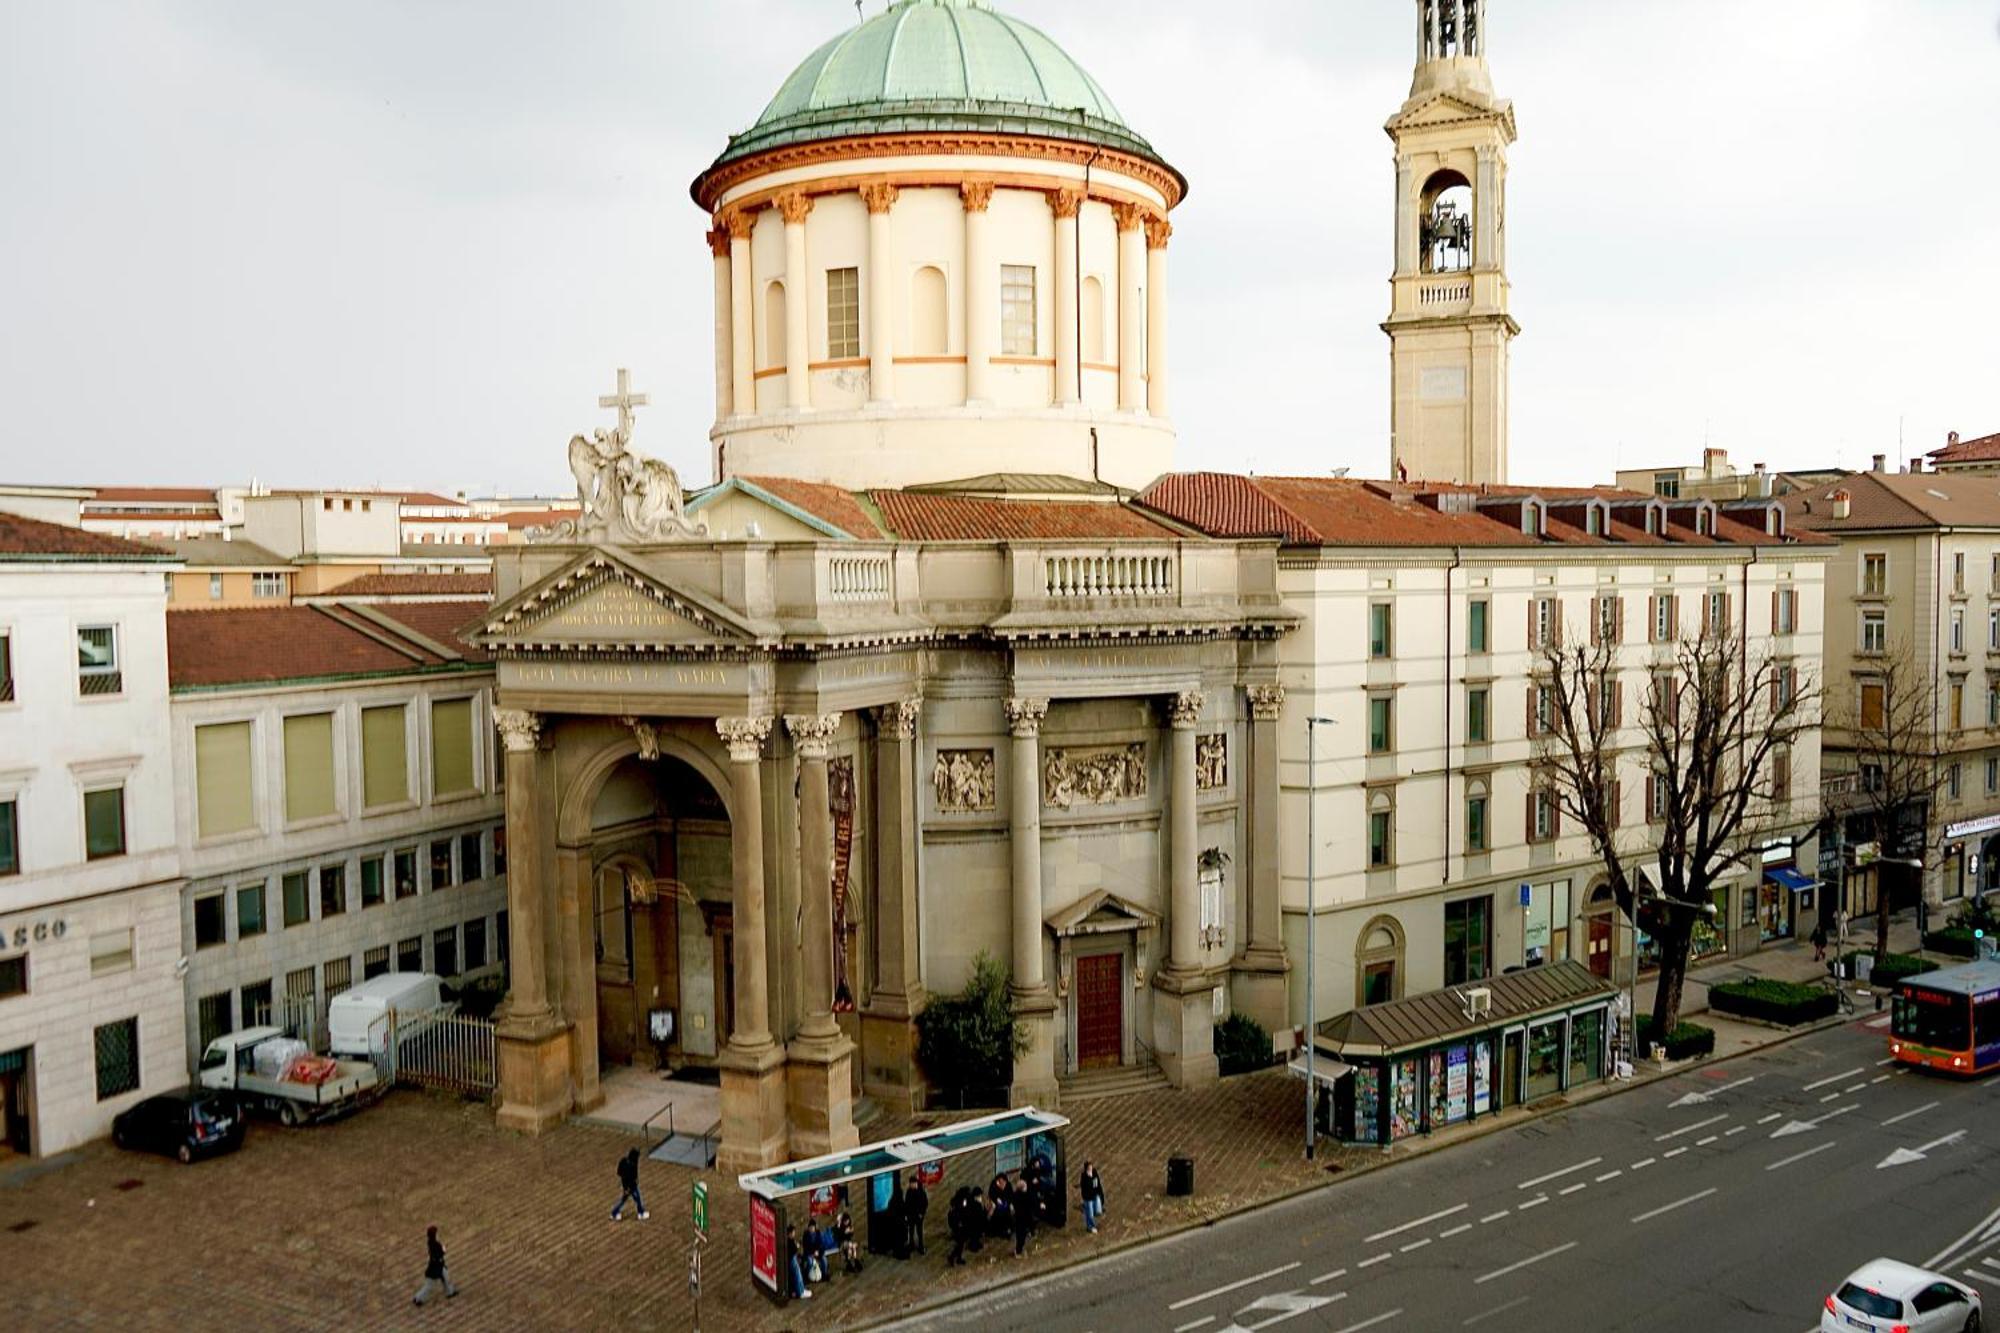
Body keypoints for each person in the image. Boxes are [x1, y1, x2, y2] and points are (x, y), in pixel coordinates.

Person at [412, 1225, 458, 1306]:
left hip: (439, 1266)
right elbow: (439, 1254)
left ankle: (450, 1292)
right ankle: (418, 1298)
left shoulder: (431, 1243)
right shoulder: (435, 1245)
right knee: (429, 1286)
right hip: (435, 1268)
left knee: (446, 1277)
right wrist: (443, 1250)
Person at [609, 1146, 648, 1221]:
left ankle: (640, 1212)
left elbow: (619, 1172)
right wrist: (628, 1188)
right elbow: (632, 1177)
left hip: (627, 1184)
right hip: (631, 1186)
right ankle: (614, 1213)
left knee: (636, 1198)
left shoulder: (624, 1160)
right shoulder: (632, 1165)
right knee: (628, 1199)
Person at [1010, 1173, 1035, 1256]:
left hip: (1019, 1217)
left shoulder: (1016, 1195)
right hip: (1022, 1217)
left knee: (1021, 1235)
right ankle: (1018, 1251)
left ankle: (1019, 1250)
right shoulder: (1024, 1196)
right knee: (1021, 1236)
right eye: (1025, 1186)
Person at [1078, 1161, 1106, 1234]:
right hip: (1088, 1197)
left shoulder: (1094, 1173)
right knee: (1089, 1213)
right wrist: (1085, 1196)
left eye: (1091, 1167)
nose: (1090, 1168)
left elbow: (1098, 1183)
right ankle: (1091, 1227)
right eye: (1089, 1167)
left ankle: (1091, 1224)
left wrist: (1100, 1194)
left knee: (1096, 1211)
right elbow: (1083, 1187)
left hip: (1095, 1194)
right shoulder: (1084, 1176)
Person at [904, 1177, 930, 1255]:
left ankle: (921, 1246)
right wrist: (906, 1214)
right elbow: (907, 1203)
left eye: (912, 1184)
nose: (911, 1185)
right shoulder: (909, 1191)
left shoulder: (921, 1191)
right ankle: (911, 1244)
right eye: (910, 1184)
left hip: (918, 1216)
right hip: (911, 1216)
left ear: (915, 1183)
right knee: (911, 1231)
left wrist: (921, 1213)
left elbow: (925, 1203)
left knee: (919, 1231)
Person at [786, 1226, 812, 1301]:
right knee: (797, 1275)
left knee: (799, 1274)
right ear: (790, 1233)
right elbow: (793, 1250)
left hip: (792, 1259)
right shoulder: (789, 1241)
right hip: (791, 1260)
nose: (794, 1234)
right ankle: (800, 1292)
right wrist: (797, 1246)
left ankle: (802, 1289)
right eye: (793, 1232)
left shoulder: (790, 1240)